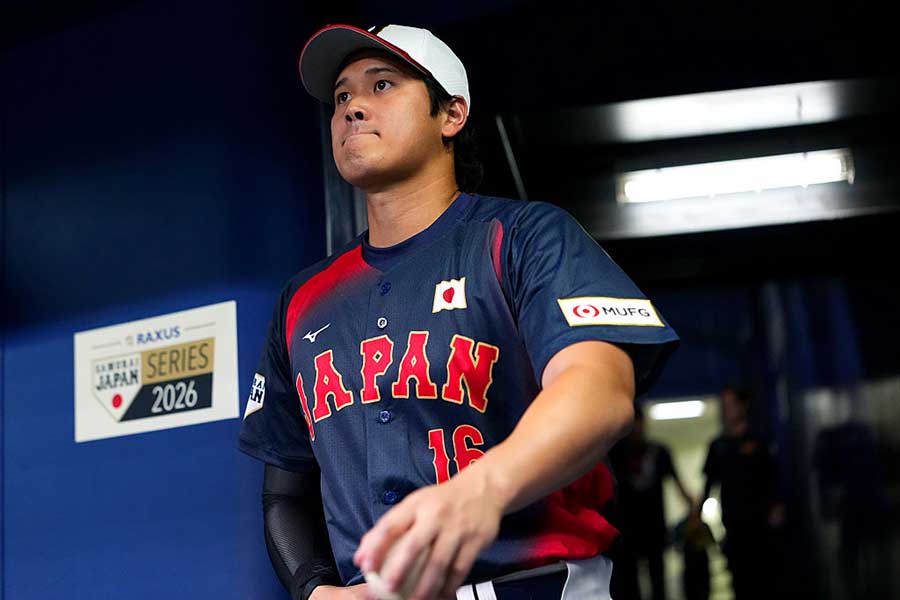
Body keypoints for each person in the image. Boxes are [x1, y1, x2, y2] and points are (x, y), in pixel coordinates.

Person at [238, 23, 679, 600]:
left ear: (451, 114)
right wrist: (317, 590)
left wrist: (483, 490)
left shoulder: (523, 236)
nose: (353, 109)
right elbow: (285, 491)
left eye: (383, 85)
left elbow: (600, 393)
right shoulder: (304, 300)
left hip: (535, 586)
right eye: (342, 96)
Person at [700, 386, 783, 600]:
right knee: (740, 583)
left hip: (761, 527)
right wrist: (697, 516)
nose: (726, 410)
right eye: (723, 406)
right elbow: (709, 484)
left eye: (730, 404)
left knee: (766, 581)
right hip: (734, 527)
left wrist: (776, 507)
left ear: (743, 406)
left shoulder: (758, 442)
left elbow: (772, 478)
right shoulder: (717, 446)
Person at [609, 406, 694, 600]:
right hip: (627, 531)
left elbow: (678, 484)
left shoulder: (659, 452)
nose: (636, 429)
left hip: (654, 528)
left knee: (658, 580)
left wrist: (693, 510)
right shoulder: (616, 455)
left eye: (639, 423)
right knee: (630, 585)